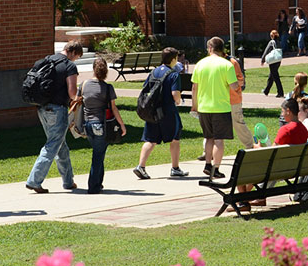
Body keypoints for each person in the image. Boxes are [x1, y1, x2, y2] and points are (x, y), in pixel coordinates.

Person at [26, 41, 83, 194]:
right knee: (53, 144)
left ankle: (68, 181)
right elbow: (72, 93)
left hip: (41, 107)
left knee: (60, 145)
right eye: (77, 57)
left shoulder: (48, 60)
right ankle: (34, 180)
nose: (75, 60)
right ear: (73, 52)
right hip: (57, 109)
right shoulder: (69, 66)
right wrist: (80, 96)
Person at [134, 48, 188, 180]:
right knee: (175, 139)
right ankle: (175, 168)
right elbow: (175, 94)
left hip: (153, 111)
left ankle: (141, 166)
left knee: (150, 140)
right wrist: (179, 101)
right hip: (168, 112)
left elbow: (146, 88)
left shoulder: (154, 72)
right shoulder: (174, 74)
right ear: (173, 59)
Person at [191, 37, 240, 180]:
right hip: (221, 107)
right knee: (219, 140)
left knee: (208, 137)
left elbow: (195, 87)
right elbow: (234, 86)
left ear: (210, 48)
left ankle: (207, 164)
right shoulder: (226, 65)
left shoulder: (200, 64)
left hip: (204, 107)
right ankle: (216, 168)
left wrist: (195, 105)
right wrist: (238, 85)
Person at [78, 58, 126, 193]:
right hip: (101, 125)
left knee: (99, 153)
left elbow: (77, 102)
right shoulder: (107, 88)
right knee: (98, 155)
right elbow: (114, 109)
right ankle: (93, 186)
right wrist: (122, 125)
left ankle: (99, 183)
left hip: (87, 124)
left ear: (93, 69)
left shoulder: (83, 85)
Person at [261, 30, 284, 98]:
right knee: (272, 76)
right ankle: (266, 90)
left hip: (273, 61)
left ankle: (280, 92)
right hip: (278, 60)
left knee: (276, 77)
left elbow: (266, 50)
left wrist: (262, 59)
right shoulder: (279, 42)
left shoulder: (271, 42)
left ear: (271, 36)